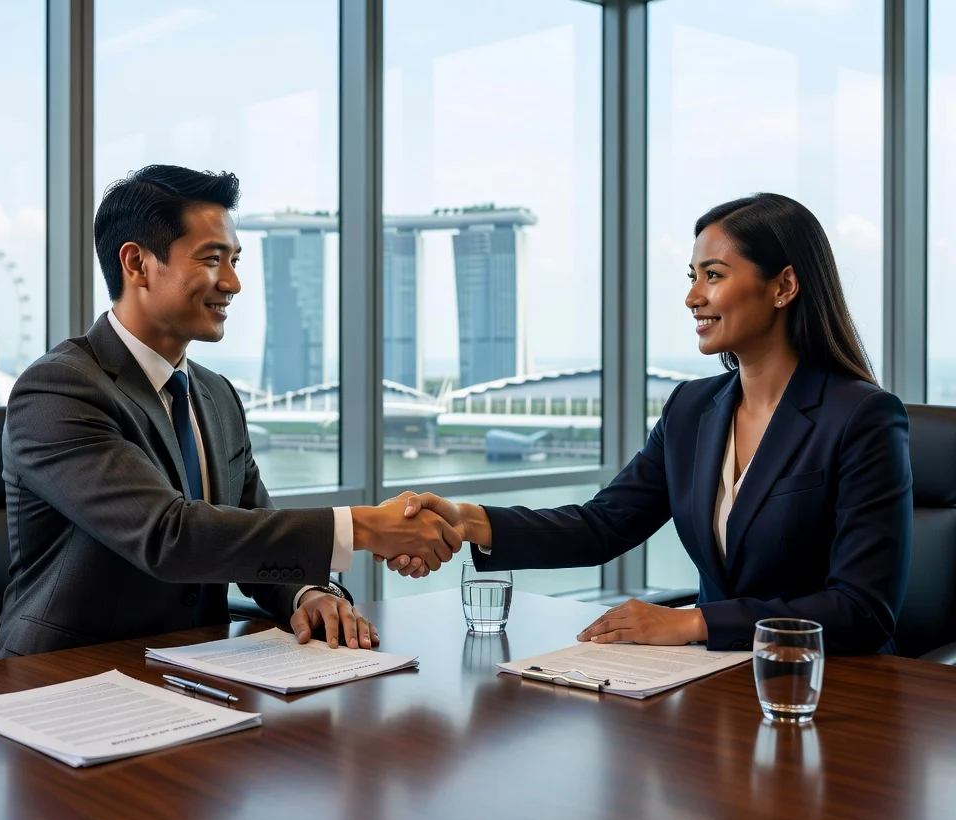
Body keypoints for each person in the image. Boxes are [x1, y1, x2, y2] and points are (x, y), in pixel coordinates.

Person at [391, 194, 913, 655]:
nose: (692, 298)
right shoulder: (691, 409)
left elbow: (860, 610)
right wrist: (466, 520)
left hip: (835, 692)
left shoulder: (862, 417)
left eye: (714, 275)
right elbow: (602, 525)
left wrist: (691, 621)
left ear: (784, 286)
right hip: (718, 684)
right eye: (693, 278)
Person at [0, 165, 460, 659]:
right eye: (213, 259)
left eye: (234, 260)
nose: (233, 283)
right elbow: (170, 536)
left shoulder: (216, 396)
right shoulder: (58, 390)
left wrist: (307, 594)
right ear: (137, 264)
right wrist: (364, 526)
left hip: (195, 670)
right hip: (64, 679)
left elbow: (249, 528)